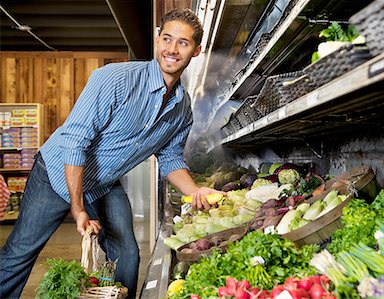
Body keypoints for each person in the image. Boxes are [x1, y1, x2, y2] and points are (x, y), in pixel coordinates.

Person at [0, 8, 223, 299]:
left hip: (104, 182)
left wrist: (195, 191)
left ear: (196, 50)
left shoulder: (182, 108)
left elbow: (169, 158)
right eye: (167, 38)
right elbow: (75, 141)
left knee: (126, 253)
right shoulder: (114, 79)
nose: (172, 48)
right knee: (21, 251)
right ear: (157, 40)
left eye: (183, 42)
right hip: (56, 172)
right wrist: (77, 208)